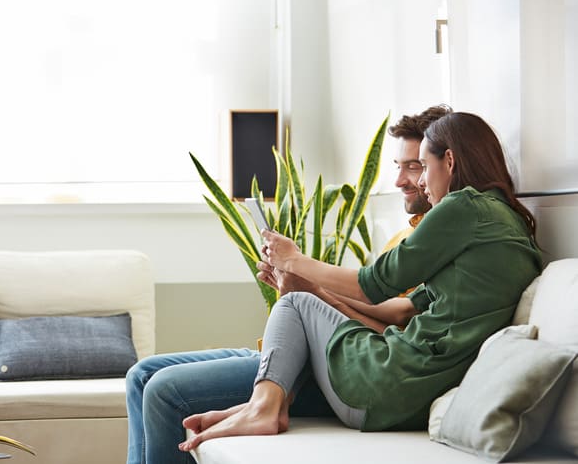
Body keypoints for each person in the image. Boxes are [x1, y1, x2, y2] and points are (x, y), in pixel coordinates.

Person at [178, 111, 542, 452]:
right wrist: (315, 290)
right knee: (302, 300)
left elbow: (374, 284)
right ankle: (264, 405)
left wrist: (294, 260)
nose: (419, 182)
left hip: (392, 384)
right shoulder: (506, 224)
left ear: (449, 161)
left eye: (422, 167)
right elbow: (399, 311)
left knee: (293, 304)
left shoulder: (464, 207)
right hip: (414, 394)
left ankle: (262, 408)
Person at [125, 105, 452, 464]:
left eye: (414, 166)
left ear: (446, 164)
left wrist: (310, 292)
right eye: (398, 166)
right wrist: (299, 290)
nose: (401, 180)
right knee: (141, 373)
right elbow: (368, 309)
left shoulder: (438, 250)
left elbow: (387, 338)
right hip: (307, 347)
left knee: (163, 390)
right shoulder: (404, 239)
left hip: (339, 365)